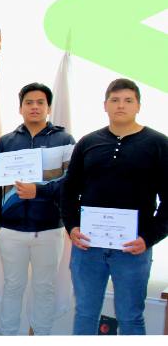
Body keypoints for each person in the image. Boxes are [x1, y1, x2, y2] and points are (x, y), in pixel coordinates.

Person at [61, 78, 167, 335]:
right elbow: (69, 190)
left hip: (133, 248)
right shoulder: (88, 143)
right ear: (105, 105)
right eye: (115, 100)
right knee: (85, 313)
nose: (121, 105)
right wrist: (72, 227)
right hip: (88, 247)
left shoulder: (158, 144)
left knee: (131, 316)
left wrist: (149, 237)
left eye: (128, 100)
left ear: (138, 106)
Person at [0, 82, 75, 335]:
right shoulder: (6, 141)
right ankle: (7, 338)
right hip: (10, 231)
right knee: (12, 287)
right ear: (20, 107)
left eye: (40, 102)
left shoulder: (65, 139)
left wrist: (39, 190)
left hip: (49, 229)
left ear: (48, 108)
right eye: (29, 102)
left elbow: (70, 182)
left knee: (44, 288)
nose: (34, 107)